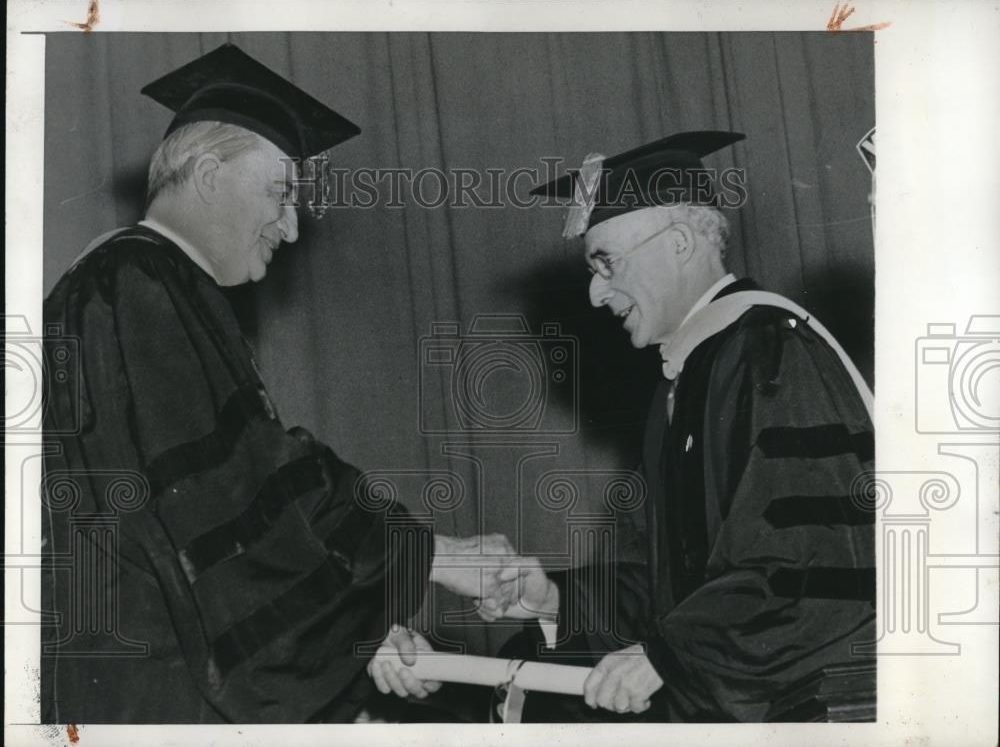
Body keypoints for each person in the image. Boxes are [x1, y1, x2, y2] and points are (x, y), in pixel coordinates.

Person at [40, 43, 513, 724]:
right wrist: (426, 554)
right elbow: (235, 487)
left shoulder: (126, 288)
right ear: (207, 176)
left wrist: (353, 628)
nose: (291, 227)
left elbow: (226, 526)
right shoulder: (138, 286)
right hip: (149, 685)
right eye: (281, 192)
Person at [473, 131, 877, 721]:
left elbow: (810, 562)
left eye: (605, 262)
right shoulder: (687, 377)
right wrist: (557, 596)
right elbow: (674, 588)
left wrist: (666, 655)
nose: (593, 292)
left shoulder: (767, 352)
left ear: (681, 243)